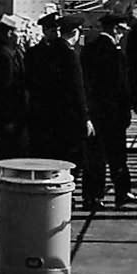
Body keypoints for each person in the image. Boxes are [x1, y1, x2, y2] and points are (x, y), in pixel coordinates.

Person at [81, 13, 137, 210]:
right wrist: (126, 114)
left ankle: (92, 197)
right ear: (116, 30)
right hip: (113, 115)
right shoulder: (116, 55)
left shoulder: (88, 50)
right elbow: (123, 88)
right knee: (117, 156)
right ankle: (122, 192)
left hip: (95, 112)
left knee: (95, 157)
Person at [25, 14, 92, 176]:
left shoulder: (50, 51)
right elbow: (76, 88)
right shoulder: (67, 54)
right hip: (62, 114)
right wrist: (85, 117)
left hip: (47, 113)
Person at [0, 14, 28, 207]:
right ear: (10, 33)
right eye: (18, 31)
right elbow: (5, 88)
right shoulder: (3, 56)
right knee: (4, 156)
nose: (20, 35)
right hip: (8, 115)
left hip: (14, 115)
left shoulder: (13, 52)